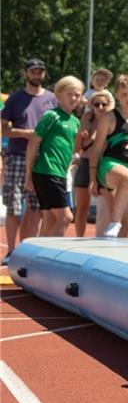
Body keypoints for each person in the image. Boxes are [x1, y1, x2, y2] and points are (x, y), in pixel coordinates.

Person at [1, 59, 57, 258]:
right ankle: (11, 251)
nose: (37, 75)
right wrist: (27, 134)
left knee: (37, 208)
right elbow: (3, 128)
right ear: (26, 74)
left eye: (40, 71)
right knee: (14, 207)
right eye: (33, 71)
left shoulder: (52, 99)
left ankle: (28, 252)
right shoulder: (15, 99)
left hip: (42, 159)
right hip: (17, 156)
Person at [24, 77, 85, 237]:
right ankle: (51, 257)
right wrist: (28, 176)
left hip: (60, 174)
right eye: (70, 94)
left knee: (50, 220)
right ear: (58, 95)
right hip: (46, 172)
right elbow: (33, 144)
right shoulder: (51, 115)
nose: (74, 98)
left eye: (77, 95)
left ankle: (38, 258)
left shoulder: (75, 121)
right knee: (66, 217)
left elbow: (71, 149)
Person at [89, 74, 128, 237]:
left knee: (127, 222)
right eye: (123, 94)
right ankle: (110, 229)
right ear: (116, 95)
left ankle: (115, 255)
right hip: (110, 166)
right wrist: (92, 178)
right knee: (108, 216)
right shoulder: (109, 117)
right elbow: (96, 149)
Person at [73, 89, 113, 239]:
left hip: (104, 164)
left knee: (109, 206)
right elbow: (77, 148)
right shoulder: (86, 119)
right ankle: (79, 238)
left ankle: (108, 237)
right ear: (92, 105)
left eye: (104, 104)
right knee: (82, 207)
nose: (101, 107)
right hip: (86, 163)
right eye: (97, 104)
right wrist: (81, 137)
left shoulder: (113, 119)